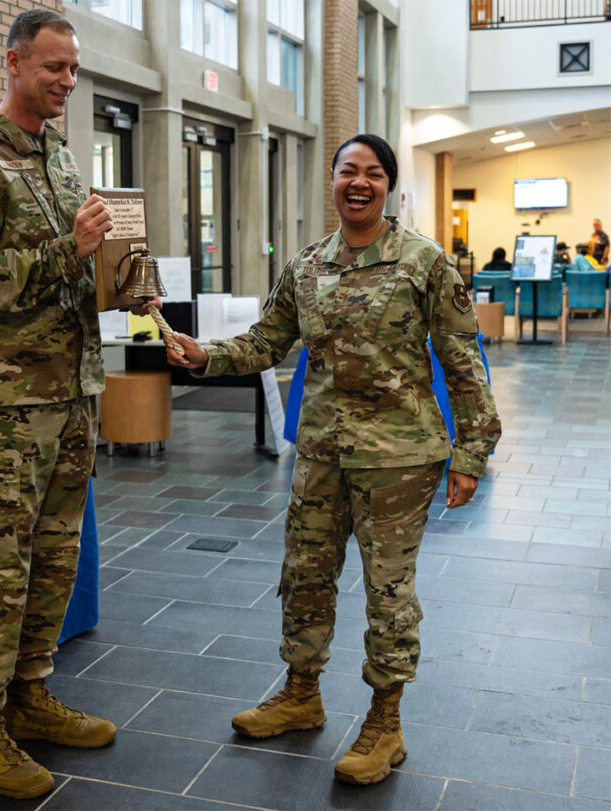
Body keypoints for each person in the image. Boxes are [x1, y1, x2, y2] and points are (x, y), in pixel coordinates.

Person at [165, 134, 501, 787]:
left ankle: (385, 721)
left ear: (389, 187)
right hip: (321, 451)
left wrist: (471, 453)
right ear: (333, 179)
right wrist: (206, 356)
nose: (359, 182)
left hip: (398, 460)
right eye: (348, 170)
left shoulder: (425, 263)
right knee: (306, 577)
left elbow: (465, 367)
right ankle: (300, 692)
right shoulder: (308, 263)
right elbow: (268, 339)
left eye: (373, 174)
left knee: (389, 593)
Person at [0, 9, 147, 800]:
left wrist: (125, 278)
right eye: (55, 69)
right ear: (12, 64)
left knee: (53, 560)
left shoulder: (62, 157)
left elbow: (85, 268)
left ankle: (28, 695)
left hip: (71, 394)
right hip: (3, 408)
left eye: (74, 70)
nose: (68, 83)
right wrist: (67, 250)